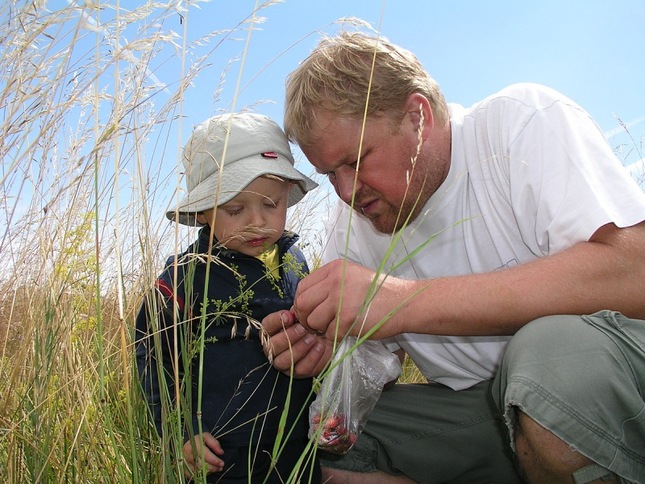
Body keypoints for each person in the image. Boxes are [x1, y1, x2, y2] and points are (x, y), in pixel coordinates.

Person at [262, 31, 645, 483]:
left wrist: (399, 302)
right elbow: (366, 359)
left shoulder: (518, 123)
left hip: (607, 389)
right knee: (309, 446)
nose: (345, 192)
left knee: (546, 361)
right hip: (484, 414)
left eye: (356, 160)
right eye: (329, 174)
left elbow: (633, 272)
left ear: (417, 116)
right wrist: (328, 344)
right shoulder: (357, 222)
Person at [135, 112, 322, 483]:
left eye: (272, 205)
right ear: (203, 212)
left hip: (298, 444)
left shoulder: (297, 262)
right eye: (236, 209)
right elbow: (153, 360)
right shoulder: (181, 279)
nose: (258, 222)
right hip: (225, 456)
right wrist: (179, 431)